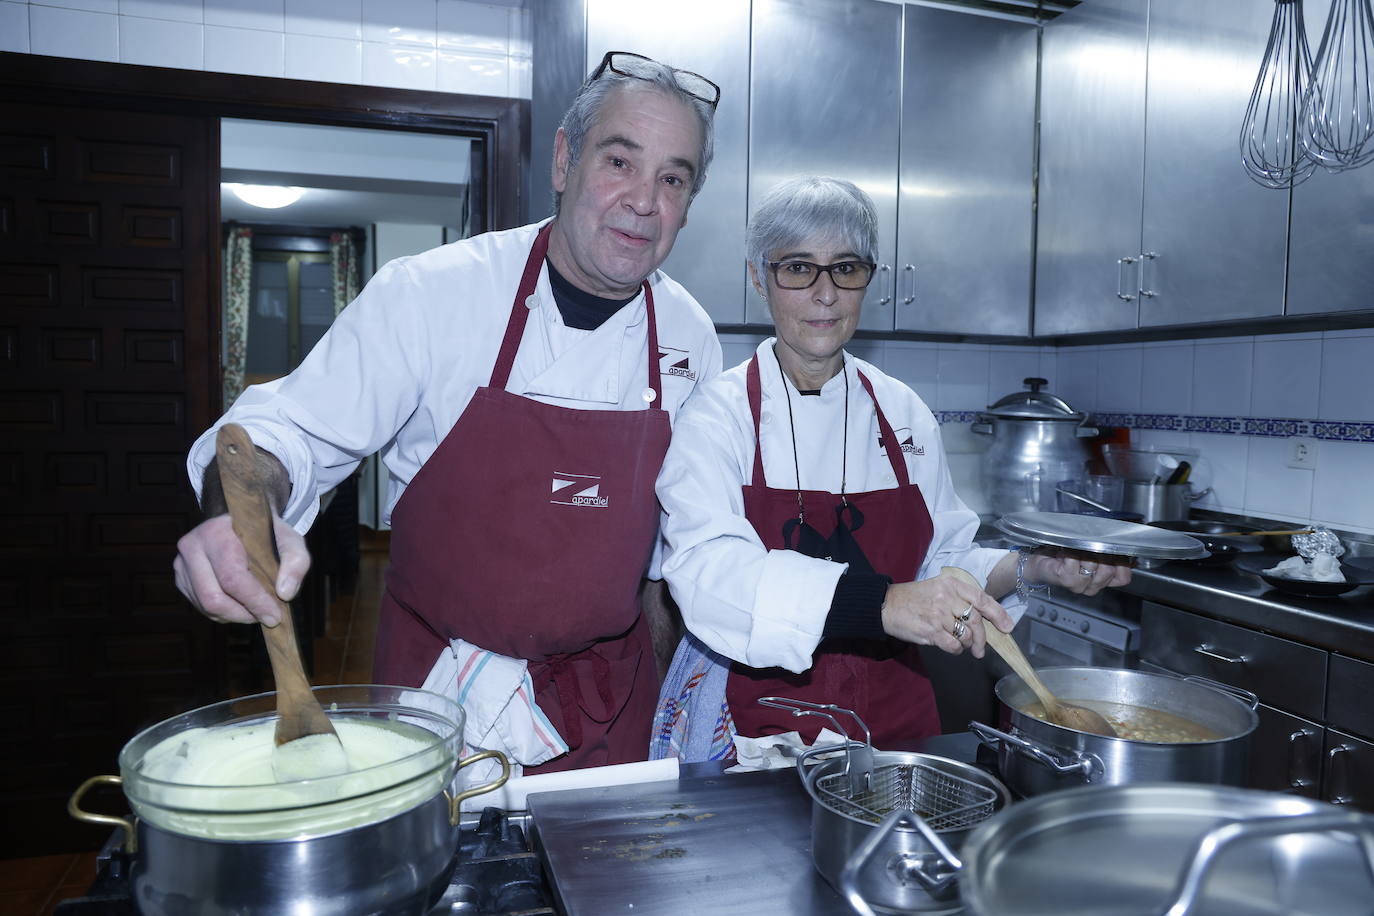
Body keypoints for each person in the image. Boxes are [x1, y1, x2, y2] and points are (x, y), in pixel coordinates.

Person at [173, 51, 724, 775]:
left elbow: (674, 562)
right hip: (437, 705)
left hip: (606, 713)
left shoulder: (691, 338)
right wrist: (234, 516)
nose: (644, 200)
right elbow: (283, 435)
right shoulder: (432, 295)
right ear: (563, 160)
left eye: (673, 178)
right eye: (620, 161)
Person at [650, 176, 1131, 760]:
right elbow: (707, 575)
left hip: (895, 734)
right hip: (760, 735)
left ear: (868, 279)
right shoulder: (716, 417)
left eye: (845, 268)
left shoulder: (903, 413)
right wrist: (884, 604)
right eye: (798, 268)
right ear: (758, 277)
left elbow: (943, 563)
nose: (825, 293)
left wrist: (1034, 568)